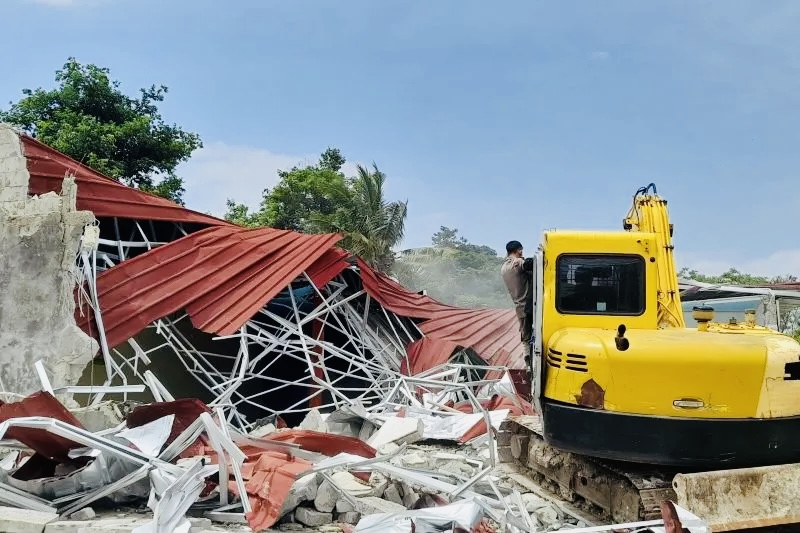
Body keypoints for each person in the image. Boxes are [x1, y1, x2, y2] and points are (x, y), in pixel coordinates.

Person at [501, 240, 534, 366]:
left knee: (525, 336)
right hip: (529, 306)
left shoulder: (504, 268)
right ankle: (530, 361)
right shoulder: (518, 262)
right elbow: (531, 264)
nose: (522, 253)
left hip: (519, 308)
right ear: (518, 250)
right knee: (533, 336)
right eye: (521, 250)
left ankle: (528, 362)